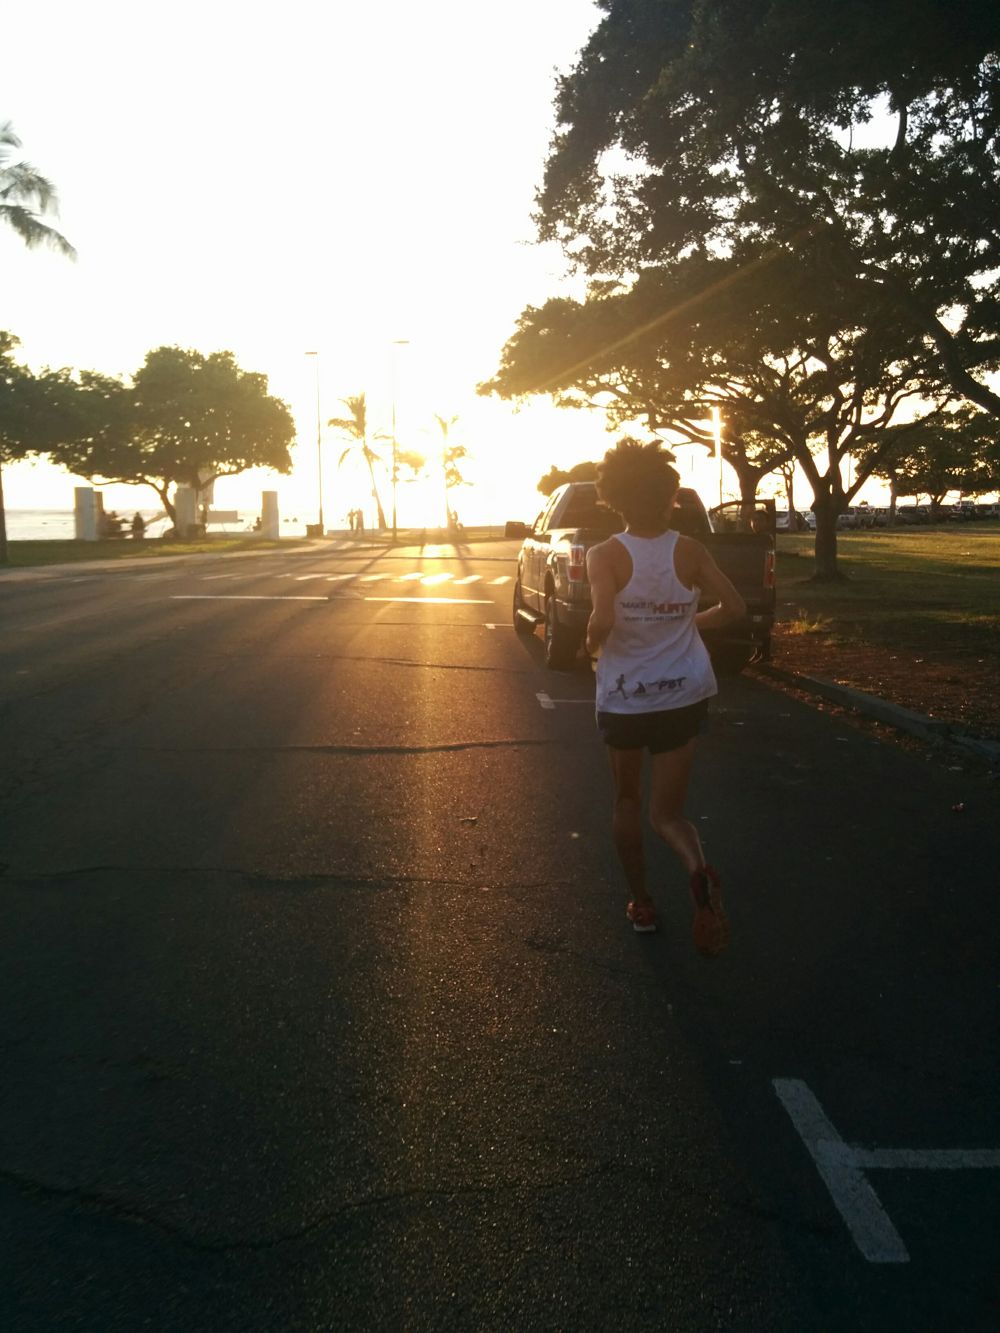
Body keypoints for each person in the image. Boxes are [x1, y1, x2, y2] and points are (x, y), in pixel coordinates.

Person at [585, 440, 746, 951]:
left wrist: (590, 644)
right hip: (683, 696)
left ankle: (643, 904)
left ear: (612, 496)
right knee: (668, 815)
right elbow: (736, 607)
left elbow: (603, 619)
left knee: (627, 801)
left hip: (627, 699)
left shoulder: (604, 555)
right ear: (669, 496)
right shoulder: (691, 550)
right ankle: (697, 868)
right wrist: (689, 624)